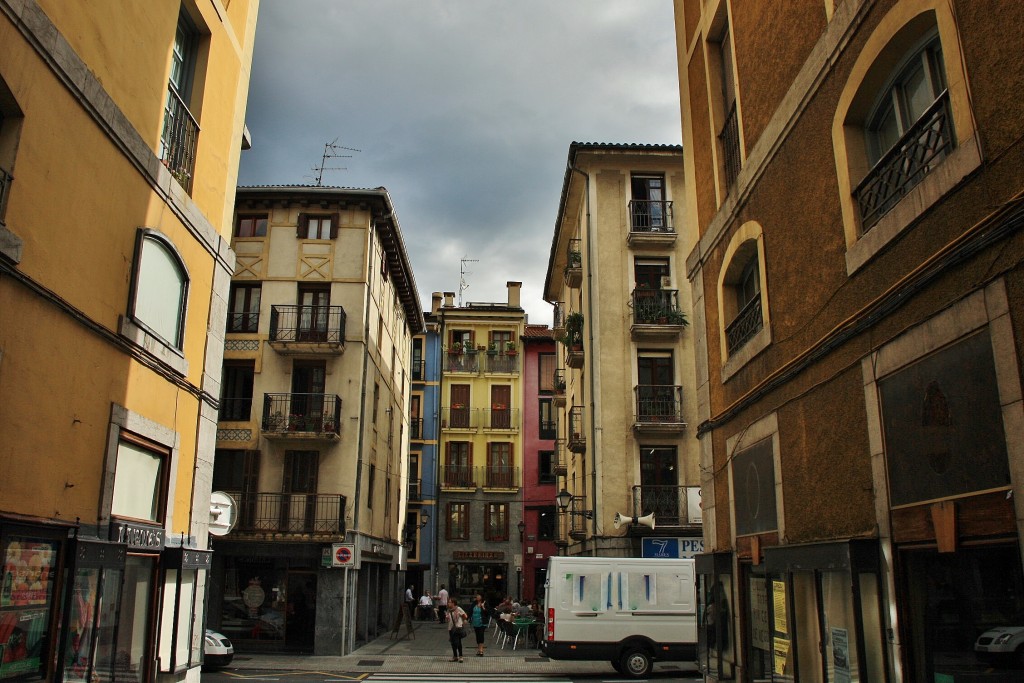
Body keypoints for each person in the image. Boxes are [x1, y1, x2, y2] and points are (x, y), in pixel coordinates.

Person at [446, 597, 468, 663]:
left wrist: (462, 619)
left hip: (458, 627)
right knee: (453, 643)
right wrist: (446, 618)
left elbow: (465, 616)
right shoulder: (448, 610)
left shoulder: (458, 609)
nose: (448, 603)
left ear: (453, 603)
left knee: (458, 642)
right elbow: (447, 619)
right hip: (451, 628)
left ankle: (460, 656)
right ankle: (455, 656)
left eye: (449, 602)